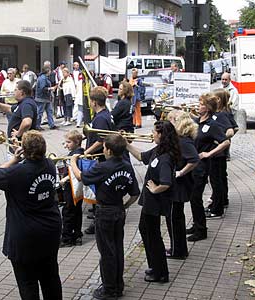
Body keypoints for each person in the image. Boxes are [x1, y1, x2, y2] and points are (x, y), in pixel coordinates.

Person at [0, 130, 62, 300]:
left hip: (25, 236)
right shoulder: (50, 164)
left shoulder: (17, 173)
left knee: (27, 283)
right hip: (50, 231)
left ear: (24, 151)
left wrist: (14, 160)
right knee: (50, 278)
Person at [71, 134, 140, 299]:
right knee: (117, 249)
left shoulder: (103, 167)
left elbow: (81, 177)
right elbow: (135, 194)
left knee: (107, 252)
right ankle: (118, 285)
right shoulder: (127, 166)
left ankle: (109, 289)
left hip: (105, 212)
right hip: (118, 210)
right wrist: (124, 206)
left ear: (108, 150)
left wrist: (73, 160)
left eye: (104, 147)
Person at [126, 120, 181, 283]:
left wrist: (155, 188)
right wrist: (126, 145)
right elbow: (142, 157)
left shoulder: (164, 158)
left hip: (155, 203)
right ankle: (155, 266)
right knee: (145, 230)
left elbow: (166, 182)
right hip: (150, 202)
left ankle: (160, 272)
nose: (152, 134)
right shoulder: (159, 150)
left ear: (162, 135)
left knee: (153, 235)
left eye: (155, 132)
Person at [187, 93, 230, 242]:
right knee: (193, 198)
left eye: (201, 104)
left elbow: (225, 142)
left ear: (208, 108)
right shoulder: (198, 122)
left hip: (201, 167)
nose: (198, 106)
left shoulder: (212, 125)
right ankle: (196, 224)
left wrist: (208, 153)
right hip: (192, 165)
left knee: (196, 198)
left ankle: (201, 230)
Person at [165, 110, 199, 259]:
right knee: (175, 218)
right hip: (179, 185)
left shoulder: (183, 141)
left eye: (170, 121)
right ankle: (178, 248)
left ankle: (177, 250)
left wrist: (180, 172)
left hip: (179, 186)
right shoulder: (180, 139)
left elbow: (194, 159)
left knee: (174, 219)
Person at [84, 86, 115, 235]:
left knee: (99, 191)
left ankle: (97, 223)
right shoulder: (104, 115)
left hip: (99, 159)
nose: (90, 103)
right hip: (100, 158)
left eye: (90, 101)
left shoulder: (101, 118)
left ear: (95, 102)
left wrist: (86, 152)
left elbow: (101, 140)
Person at [0, 80, 37, 155]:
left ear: (22, 92)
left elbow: (27, 122)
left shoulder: (27, 104)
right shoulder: (23, 103)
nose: (14, 92)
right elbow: (9, 108)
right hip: (16, 147)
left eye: (16, 89)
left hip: (21, 148)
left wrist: (18, 134)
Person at [59, 130, 84, 247]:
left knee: (68, 211)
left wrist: (64, 179)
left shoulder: (76, 155)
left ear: (77, 142)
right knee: (77, 211)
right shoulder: (78, 152)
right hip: (77, 188)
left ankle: (67, 237)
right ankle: (77, 234)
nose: (66, 144)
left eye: (69, 142)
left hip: (72, 187)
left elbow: (75, 172)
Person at [72, 62, 84, 128]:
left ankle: (78, 122)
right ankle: (77, 120)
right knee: (79, 109)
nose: (77, 66)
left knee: (80, 110)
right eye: (76, 65)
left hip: (80, 97)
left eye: (78, 65)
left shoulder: (80, 73)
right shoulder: (72, 73)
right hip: (79, 96)